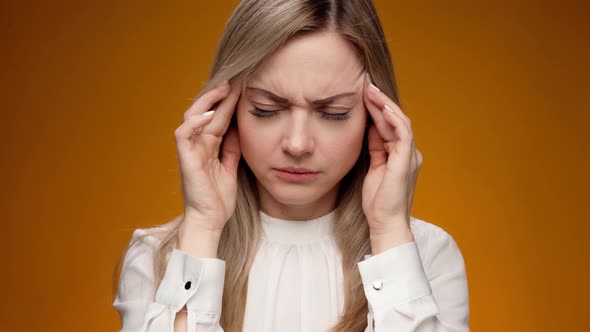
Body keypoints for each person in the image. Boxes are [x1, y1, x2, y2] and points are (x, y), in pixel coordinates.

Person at [112, 0, 470, 331]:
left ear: (377, 119)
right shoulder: (159, 258)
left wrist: (390, 231)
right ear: (227, 109)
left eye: (334, 113)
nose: (297, 144)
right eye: (267, 109)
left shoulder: (426, 255)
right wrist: (203, 227)